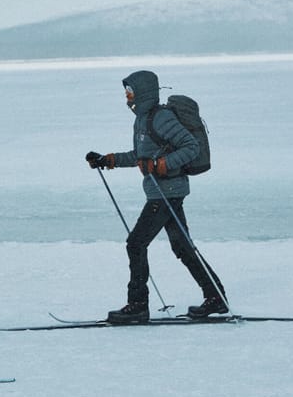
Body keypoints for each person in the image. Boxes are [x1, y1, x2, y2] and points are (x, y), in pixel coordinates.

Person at [85, 70, 227, 324]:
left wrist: (162, 165)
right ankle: (215, 298)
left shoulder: (161, 118)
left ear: (144, 92)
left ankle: (138, 305)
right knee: (182, 247)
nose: (127, 96)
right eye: (126, 92)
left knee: (136, 244)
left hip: (167, 192)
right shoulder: (142, 120)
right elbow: (141, 156)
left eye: (130, 91)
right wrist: (108, 160)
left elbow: (190, 147)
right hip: (162, 193)